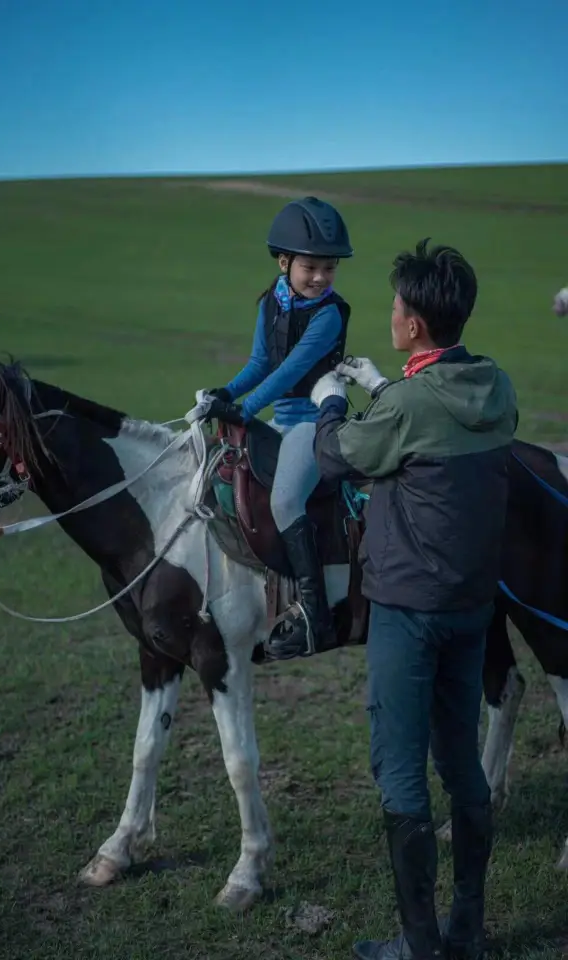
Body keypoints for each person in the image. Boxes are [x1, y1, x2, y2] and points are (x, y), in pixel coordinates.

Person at [309, 238, 518, 960]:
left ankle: (419, 946)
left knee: (399, 768)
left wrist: (333, 400)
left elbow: (338, 454)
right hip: (471, 609)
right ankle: (466, 933)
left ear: (415, 326)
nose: (392, 314)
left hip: (406, 610)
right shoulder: (498, 387)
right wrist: (383, 387)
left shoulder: (402, 405)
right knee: (460, 760)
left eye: (397, 307)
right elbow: (430, 428)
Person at [204, 196, 353, 660]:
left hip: (314, 420)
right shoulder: (271, 301)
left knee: (287, 497)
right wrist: (226, 394)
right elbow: (258, 363)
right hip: (280, 419)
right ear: (284, 261)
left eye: (329, 268)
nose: (320, 278)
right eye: (311, 267)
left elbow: (289, 372)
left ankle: (315, 617)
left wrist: (245, 412)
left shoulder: (328, 314)